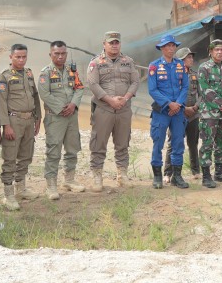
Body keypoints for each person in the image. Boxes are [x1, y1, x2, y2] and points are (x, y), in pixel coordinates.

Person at [87, 31, 140, 191]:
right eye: (111, 42)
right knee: (98, 143)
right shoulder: (95, 63)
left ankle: (122, 175)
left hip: (123, 108)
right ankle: (97, 176)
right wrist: (110, 100)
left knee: (123, 143)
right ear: (104, 44)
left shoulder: (128, 62)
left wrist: (125, 98)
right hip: (104, 109)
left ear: (120, 44)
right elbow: (92, 84)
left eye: (116, 42)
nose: (114, 45)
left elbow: (135, 81)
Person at [37, 41, 86, 201]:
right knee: (54, 150)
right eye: (56, 53)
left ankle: (69, 179)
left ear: (66, 53)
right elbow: (44, 94)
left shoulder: (72, 71)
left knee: (72, 148)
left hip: (71, 116)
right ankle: (51, 185)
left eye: (63, 53)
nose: (60, 56)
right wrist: (62, 108)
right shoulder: (45, 73)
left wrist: (73, 105)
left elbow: (79, 88)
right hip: (55, 117)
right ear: (50, 54)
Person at [0, 43, 42, 211]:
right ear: (11, 57)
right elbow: (1, 104)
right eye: (18, 57)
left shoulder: (29, 74)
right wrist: (5, 126)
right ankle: (8, 195)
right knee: (10, 157)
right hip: (13, 121)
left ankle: (21, 189)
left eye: (24, 57)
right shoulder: (4, 77)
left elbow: (35, 96)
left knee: (25, 155)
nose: (21, 60)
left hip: (29, 120)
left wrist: (38, 117)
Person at [148, 35, 190, 189]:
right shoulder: (154, 66)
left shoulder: (181, 65)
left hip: (178, 111)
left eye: (173, 46)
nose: (171, 49)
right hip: (162, 111)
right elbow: (152, 90)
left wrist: (177, 104)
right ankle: (158, 176)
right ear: (161, 48)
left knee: (178, 142)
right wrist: (169, 104)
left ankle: (176, 176)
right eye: (167, 46)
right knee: (158, 142)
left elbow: (185, 86)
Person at [197, 40, 222, 188]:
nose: (220, 52)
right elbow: (204, 89)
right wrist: (221, 104)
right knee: (207, 143)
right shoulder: (204, 68)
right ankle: (206, 176)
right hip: (209, 113)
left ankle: (219, 172)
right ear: (211, 51)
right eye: (217, 50)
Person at [165, 47, 200, 179]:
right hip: (177, 114)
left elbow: (201, 95)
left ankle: (196, 171)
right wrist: (184, 108)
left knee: (193, 143)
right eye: (188, 57)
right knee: (173, 143)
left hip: (194, 114)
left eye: (191, 57)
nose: (191, 59)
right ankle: (168, 173)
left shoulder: (194, 74)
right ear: (180, 60)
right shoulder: (173, 74)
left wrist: (196, 107)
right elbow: (170, 95)